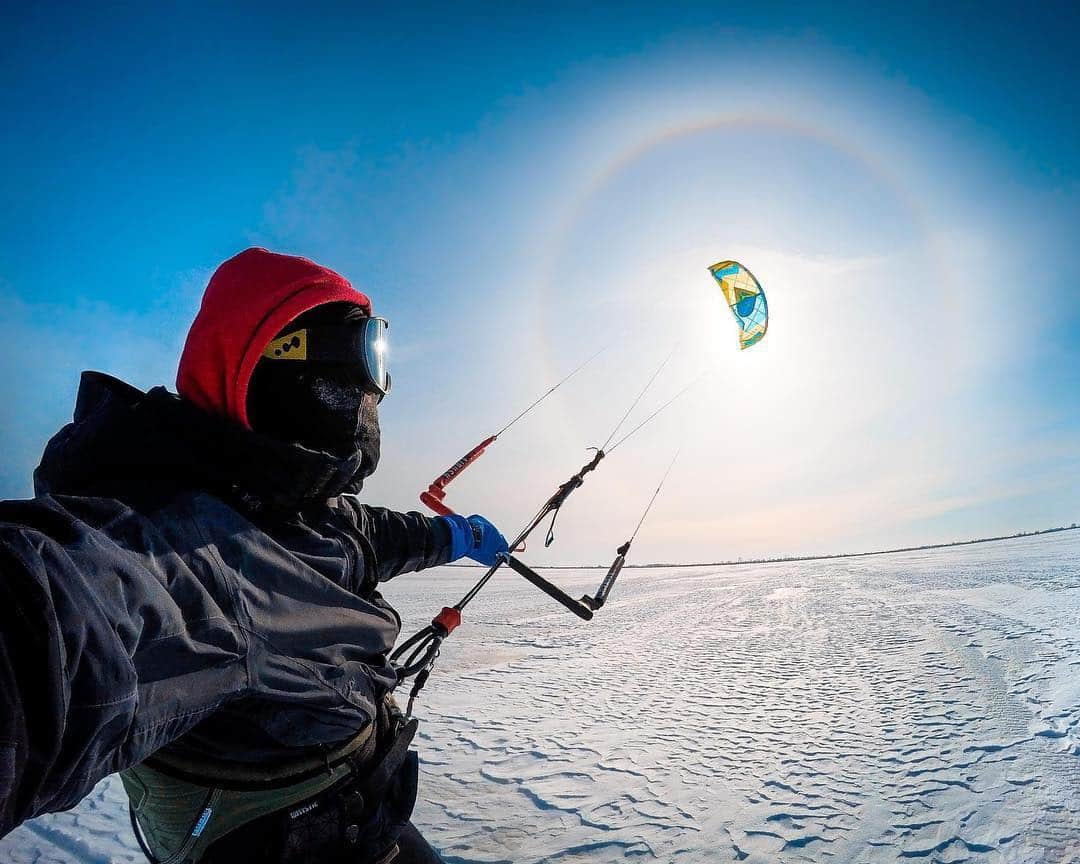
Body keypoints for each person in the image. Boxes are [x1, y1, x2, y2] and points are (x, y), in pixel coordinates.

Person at [0, 248, 508, 863]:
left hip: (361, 806)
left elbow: (369, 537)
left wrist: (455, 537)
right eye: (363, 353)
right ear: (271, 360)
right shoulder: (182, 544)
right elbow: (61, 617)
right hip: (287, 840)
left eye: (381, 354)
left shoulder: (294, 503)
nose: (374, 386)